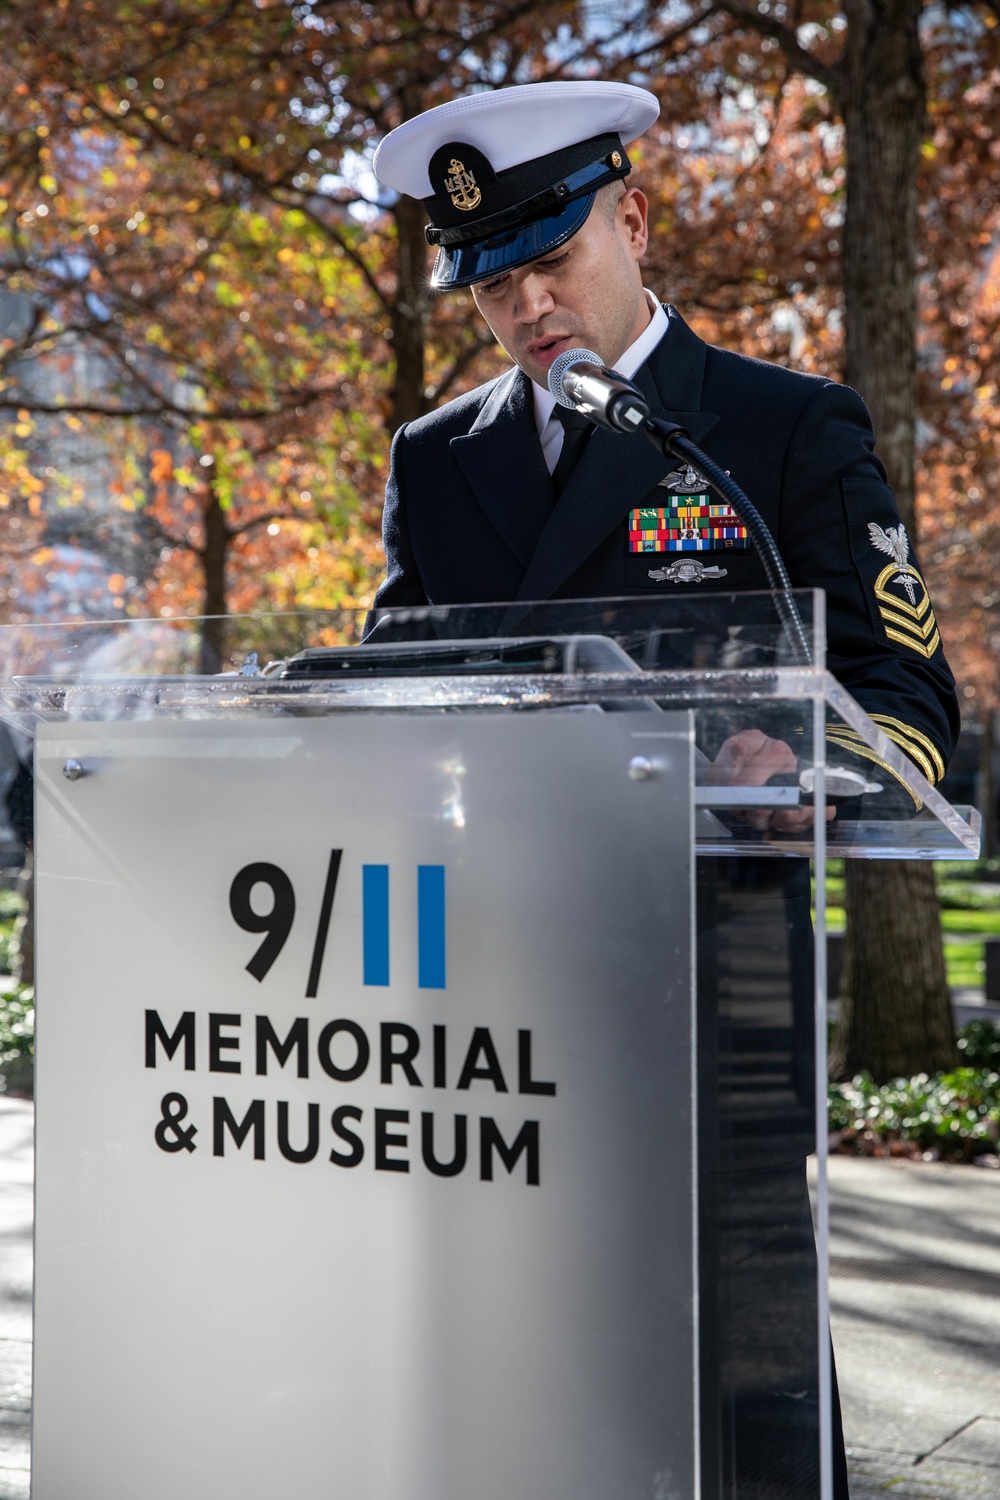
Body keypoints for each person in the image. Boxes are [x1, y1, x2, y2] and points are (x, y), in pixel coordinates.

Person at [371, 80, 960, 1500]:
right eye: (489, 283)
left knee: (737, 1355)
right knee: (511, 1335)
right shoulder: (437, 461)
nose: (523, 308)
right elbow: (389, 677)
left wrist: (807, 763)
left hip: (715, 972)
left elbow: (912, 706)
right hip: (492, 982)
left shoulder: (779, 427)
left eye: (549, 260)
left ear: (633, 219)